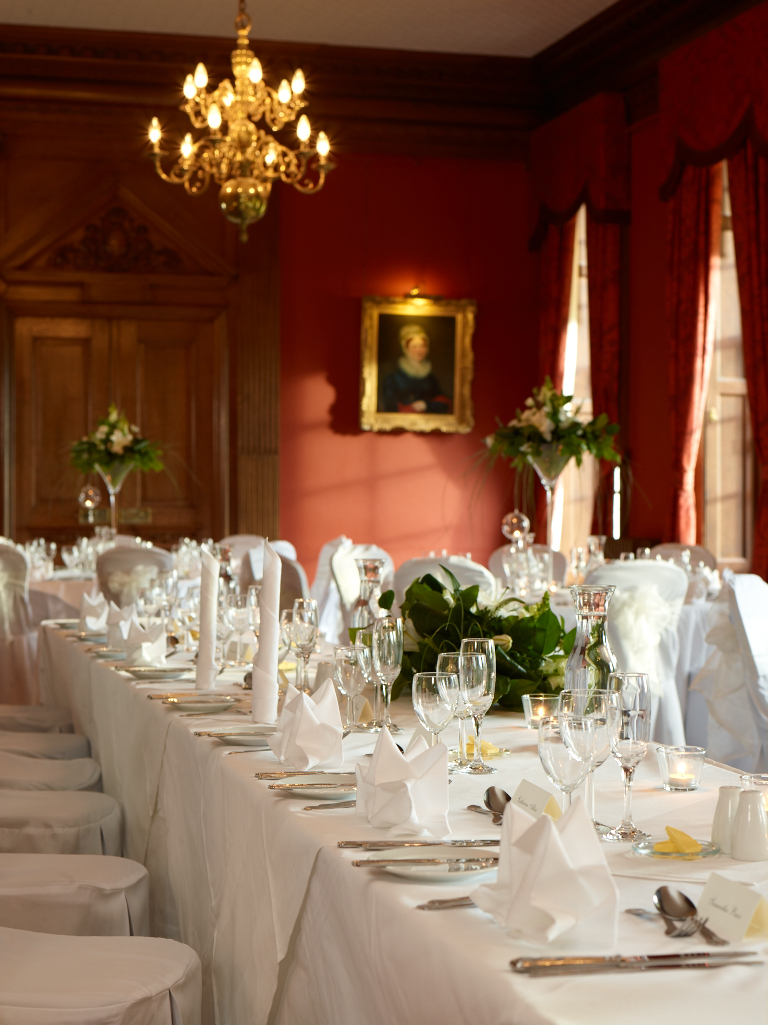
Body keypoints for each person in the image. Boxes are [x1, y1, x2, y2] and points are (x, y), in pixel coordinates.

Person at [380, 323, 452, 414]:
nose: (419, 350)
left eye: (422, 346)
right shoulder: (392, 379)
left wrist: (426, 405)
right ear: (405, 349)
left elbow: (444, 404)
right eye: (414, 346)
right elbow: (388, 409)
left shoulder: (431, 379)